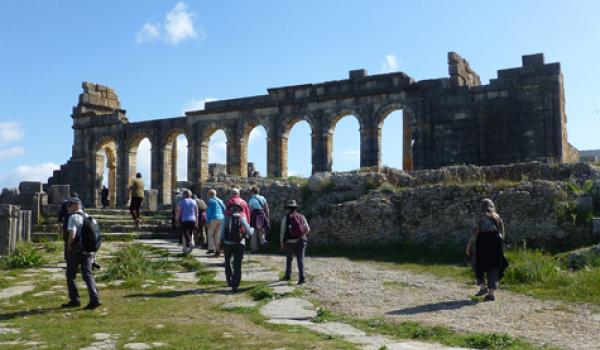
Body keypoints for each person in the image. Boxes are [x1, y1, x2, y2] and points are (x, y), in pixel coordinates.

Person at [61, 197, 101, 310]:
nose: (67, 208)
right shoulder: (89, 217)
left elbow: (72, 234)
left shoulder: (73, 217)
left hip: (76, 250)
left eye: (69, 206)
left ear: (74, 206)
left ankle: (75, 300)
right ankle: (95, 299)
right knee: (88, 275)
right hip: (89, 251)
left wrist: (69, 246)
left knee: (70, 275)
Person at [466, 198, 508, 301]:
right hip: (495, 243)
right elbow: (502, 233)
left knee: (477, 263)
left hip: (483, 243)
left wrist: (469, 245)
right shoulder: (497, 217)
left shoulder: (480, 216)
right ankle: (491, 293)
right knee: (493, 267)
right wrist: (501, 246)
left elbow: (475, 231)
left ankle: (482, 287)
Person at [220, 202, 254, 291]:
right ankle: (235, 284)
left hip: (228, 243)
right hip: (239, 243)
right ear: (239, 210)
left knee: (227, 262)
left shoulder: (226, 218)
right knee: (237, 264)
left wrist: (221, 241)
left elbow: (222, 231)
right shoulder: (241, 218)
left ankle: (229, 280)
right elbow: (249, 232)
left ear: (230, 209)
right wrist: (252, 229)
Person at [280, 200, 310, 284]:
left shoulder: (286, 218)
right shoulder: (302, 216)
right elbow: (308, 229)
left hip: (290, 241)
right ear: (295, 208)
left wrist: (282, 243)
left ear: (288, 208)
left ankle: (288, 275)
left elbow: (282, 232)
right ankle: (302, 277)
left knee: (289, 258)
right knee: (300, 259)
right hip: (302, 240)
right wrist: (301, 236)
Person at [248, 186, 270, 253]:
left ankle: (255, 249)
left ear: (252, 192)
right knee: (262, 232)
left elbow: (250, 211)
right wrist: (268, 218)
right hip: (262, 215)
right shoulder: (263, 198)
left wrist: (249, 219)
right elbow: (267, 209)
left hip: (254, 216)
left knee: (254, 234)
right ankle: (264, 243)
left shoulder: (251, 199)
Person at [176, 189, 198, 255]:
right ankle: (189, 248)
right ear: (190, 195)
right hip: (193, 219)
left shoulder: (182, 202)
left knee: (185, 232)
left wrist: (177, 218)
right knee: (190, 233)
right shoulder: (194, 202)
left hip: (185, 219)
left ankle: (190, 243)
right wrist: (196, 220)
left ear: (184, 195)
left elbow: (179, 212)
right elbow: (196, 212)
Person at [205, 189, 226, 256]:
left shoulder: (211, 201)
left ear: (209, 194)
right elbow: (224, 208)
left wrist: (207, 221)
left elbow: (209, 212)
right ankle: (218, 249)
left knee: (210, 233)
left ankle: (211, 248)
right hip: (221, 218)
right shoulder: (220, 200)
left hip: (213, 218)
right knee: (217, 235)